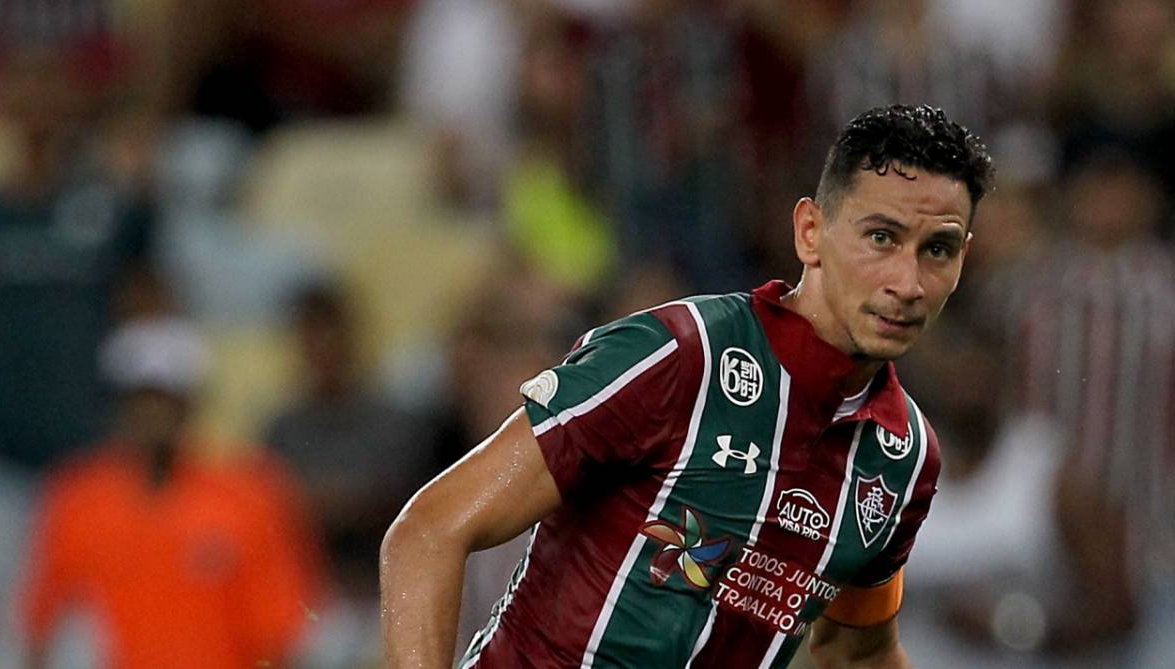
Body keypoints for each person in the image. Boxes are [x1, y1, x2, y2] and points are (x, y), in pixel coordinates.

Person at [380, 104, 994, 668]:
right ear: (810, 231)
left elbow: (856, 653)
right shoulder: (679, 355)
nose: (908, 282)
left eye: (936, 249)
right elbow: (429, 532)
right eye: (881, 237)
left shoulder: (906, 459)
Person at [19, 316, 322, 669]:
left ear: (192, 402)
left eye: (167, 398)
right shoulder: (75, 498)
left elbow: (281, 630)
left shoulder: (250, 494)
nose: (153, 412)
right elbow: (43, 623)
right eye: (140, 398)